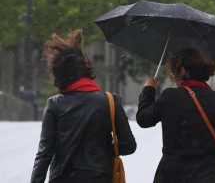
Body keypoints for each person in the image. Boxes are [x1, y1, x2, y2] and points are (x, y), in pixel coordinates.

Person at [30, 29, 136, 183]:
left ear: (60, 75)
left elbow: (44, 153)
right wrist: (103, 150)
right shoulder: (110, 101)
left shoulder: (54, 105)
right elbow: (129, 145)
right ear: (86, 70)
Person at [137, 48, 215, 183]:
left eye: (173, 72)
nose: (173, 76)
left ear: (182, 71)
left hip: (172, 176)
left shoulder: (170, 97)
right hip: (208, 176)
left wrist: (149, 89)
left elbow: (143, 119)